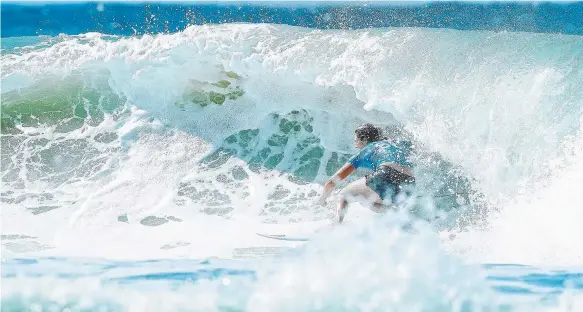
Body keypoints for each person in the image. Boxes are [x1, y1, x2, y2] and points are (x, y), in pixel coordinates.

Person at [317, 123, 416, 223]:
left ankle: (336, 225)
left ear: (364, 139)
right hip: (409, 182)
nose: (355, 144)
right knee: (367, 200)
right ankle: (398, 215)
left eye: (356, 140)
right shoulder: (394, 144)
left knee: (344, 194)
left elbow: (332, 181)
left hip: (387, 173)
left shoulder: (367, 150)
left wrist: (322, 200)